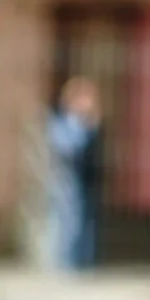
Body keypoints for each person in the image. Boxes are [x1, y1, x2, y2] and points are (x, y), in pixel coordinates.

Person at [44, 76, 102, 272]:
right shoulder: (62, 123)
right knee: (67, 225)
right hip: (65, 183)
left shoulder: (90, 125)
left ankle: (82, 265)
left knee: (84, 225)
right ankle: (65, 267)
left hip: (86, 181)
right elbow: (66, 148)